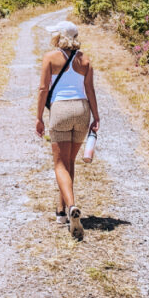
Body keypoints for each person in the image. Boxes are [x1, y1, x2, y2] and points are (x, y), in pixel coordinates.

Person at [36, 20, 100, 240]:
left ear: (58, 37)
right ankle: (61, 212)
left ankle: (71, 207)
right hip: (82, 110)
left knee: (59, 164)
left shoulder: (50, 58)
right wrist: (96, 116)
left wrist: (38, 118)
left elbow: (44, 88)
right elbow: (89, 89)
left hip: (61, 110)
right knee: (69, 163)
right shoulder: (85, 59)